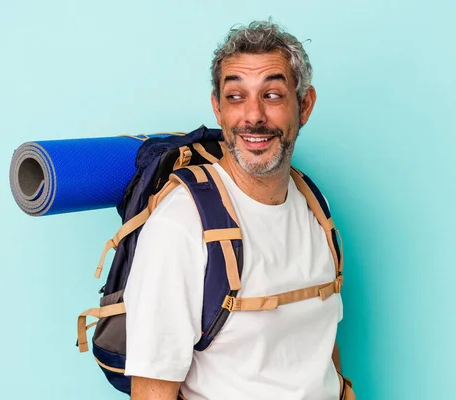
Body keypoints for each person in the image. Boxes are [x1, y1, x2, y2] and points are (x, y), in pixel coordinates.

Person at [123, 19, 345, 400]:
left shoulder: (313, 204)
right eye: (235, 96)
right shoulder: (182, 225)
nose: (253, 116)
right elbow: (152, 392)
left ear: (304, 105)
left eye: (272, 95)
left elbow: (318, 344)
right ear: (217, 108)